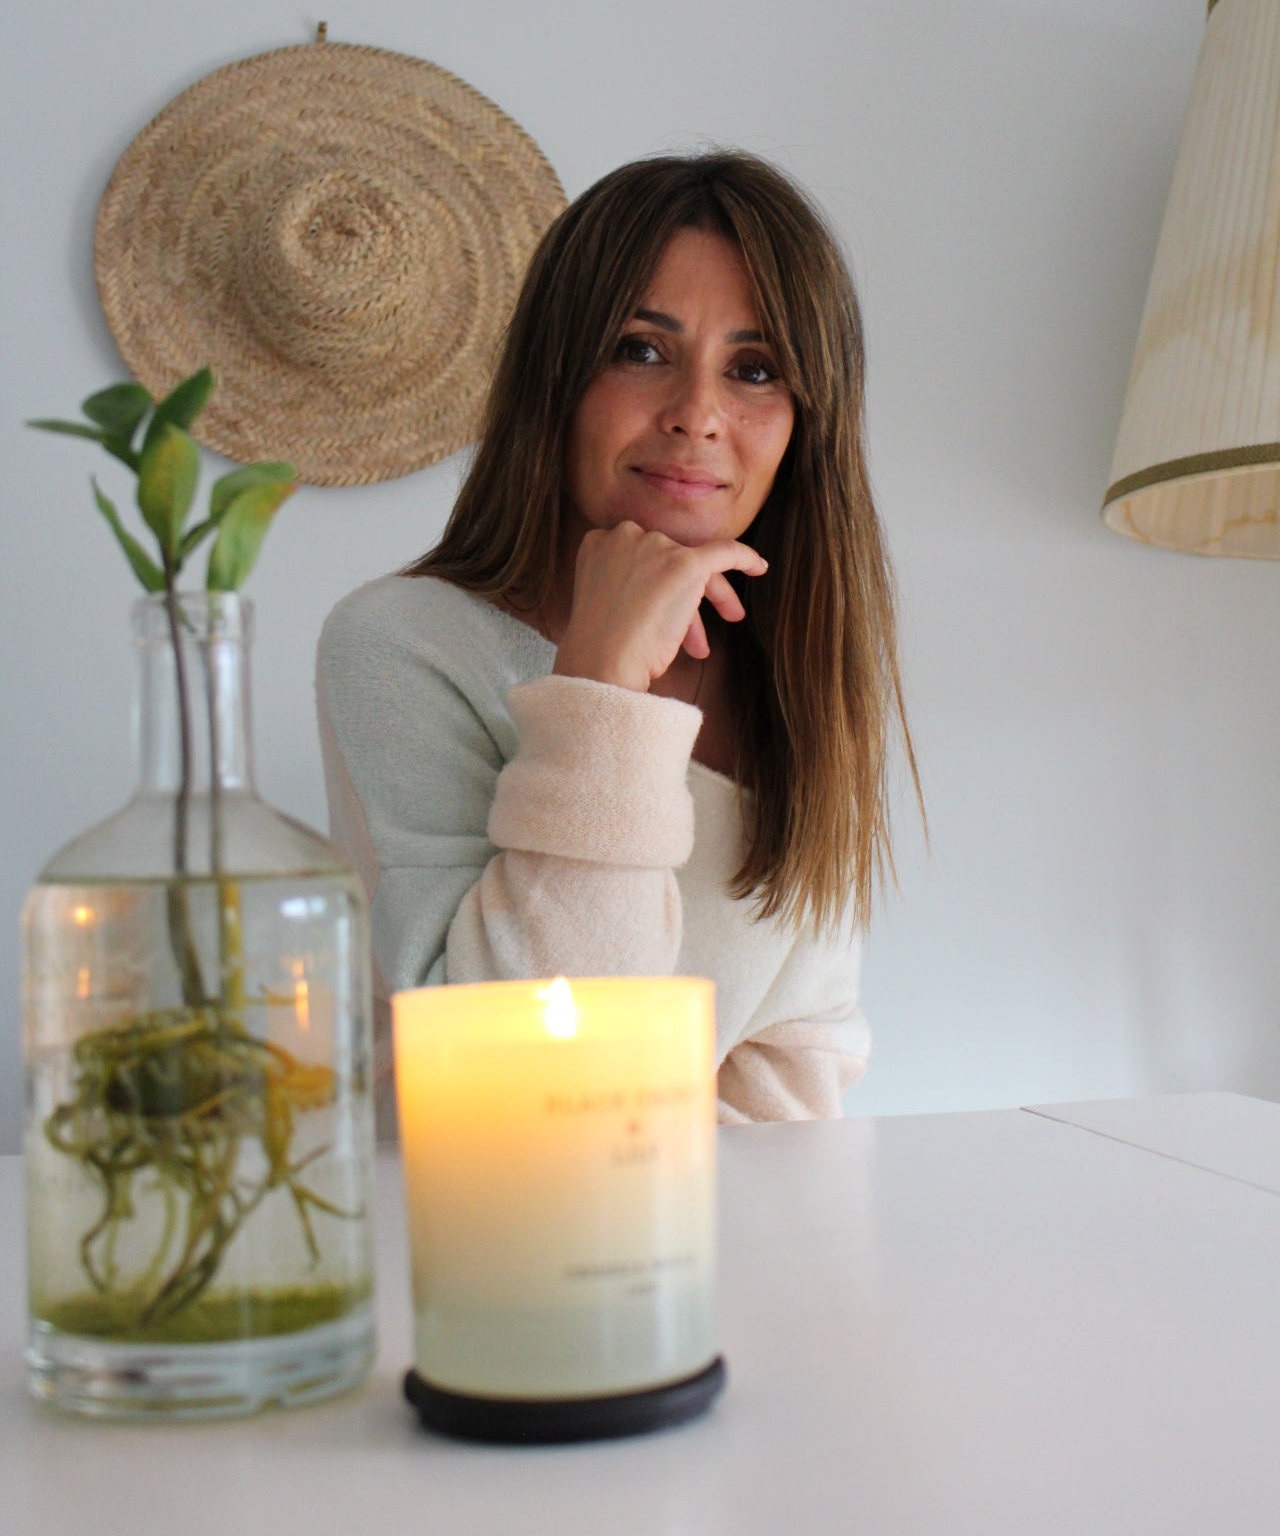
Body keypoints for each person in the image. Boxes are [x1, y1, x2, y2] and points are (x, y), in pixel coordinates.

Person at [316, 151, 919, 1124]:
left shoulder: (796, 670)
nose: (696, 416)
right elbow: (519, 1077)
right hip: (475, 1208)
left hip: (725, 1212)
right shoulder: (402, 643)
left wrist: (736, 1214)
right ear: (556, 379)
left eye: (754, 370)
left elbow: (795, 1055)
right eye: (640, 350)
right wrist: (599, 692)